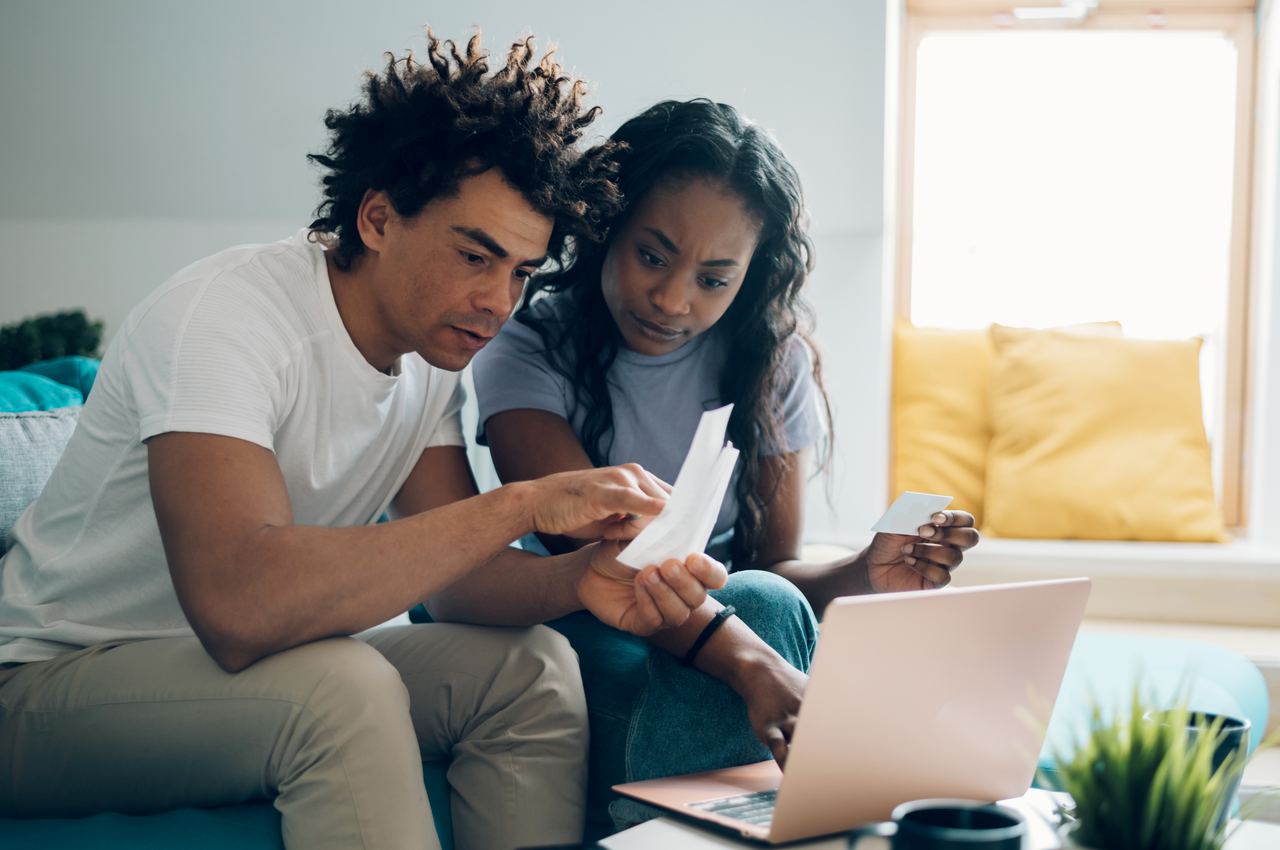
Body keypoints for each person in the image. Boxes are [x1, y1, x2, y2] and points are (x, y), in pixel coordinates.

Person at [0, 34, 729, 850]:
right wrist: (525, 502)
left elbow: (462, 586)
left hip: (234, 674)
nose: (498, 301)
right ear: (377, 218)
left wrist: (582, 577)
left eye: (521, 272)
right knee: (341, 686)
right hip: (47, 686)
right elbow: (240, 606)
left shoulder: (429, 354)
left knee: (533, 668)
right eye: (473, 255)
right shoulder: (223, 321)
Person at [468, 98, 979, 833]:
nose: (672, 300)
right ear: (606, 225)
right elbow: (593, 557)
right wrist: (751, 663)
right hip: (582, 626)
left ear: (751, 275)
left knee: (768, 596)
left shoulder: (771, 362)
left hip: (726, 621)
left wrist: (867, 572)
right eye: (652, 255)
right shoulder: (526, 349)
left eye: (714, 278)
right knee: (762, 610)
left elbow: (774, 567)